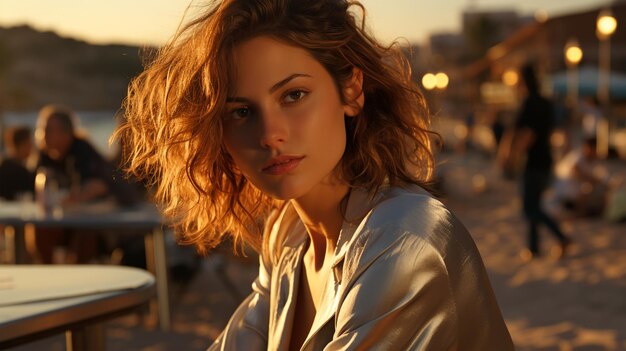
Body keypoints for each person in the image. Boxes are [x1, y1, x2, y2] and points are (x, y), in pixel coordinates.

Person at [116, 0, 514, 349]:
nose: (270, 134)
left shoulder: (405, 239)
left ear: (352, 92)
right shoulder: (288, 234)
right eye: (240, 112)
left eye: (293, 95)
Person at [500, 63, 572, 260]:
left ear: (523, 81)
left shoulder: (528, 103)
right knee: (535, 204)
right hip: (546, 160)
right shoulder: (546, 103)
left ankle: (562, 237)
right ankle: (533, 248)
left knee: (529, 208)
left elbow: (528, 135)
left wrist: (512, 157)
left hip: (532, 162)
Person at [32, 105, 113, 263]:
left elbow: (101, 185)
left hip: (98, 221)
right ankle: (46, 273)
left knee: (84, 230)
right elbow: (35, 191)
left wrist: (75, 196)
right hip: (63, 219)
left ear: (66, 133)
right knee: (37, 227)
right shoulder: (44, 155)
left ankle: (78, 276)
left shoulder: (82, 150)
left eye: (48, 130)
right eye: (41, 129)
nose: (42, 135)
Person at [553, 137, 608, 216]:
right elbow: (576, 171)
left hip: (571, 194)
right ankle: (580, 212)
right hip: (565, 194)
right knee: (588, 188)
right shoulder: (578, 157)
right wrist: (593, 180)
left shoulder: (589, 160)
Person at [0, 126, 36, 200]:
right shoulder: (19, 171)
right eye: (29, 143)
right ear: (22, 144)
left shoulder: (4, 165)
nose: (31, 147)